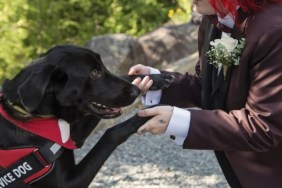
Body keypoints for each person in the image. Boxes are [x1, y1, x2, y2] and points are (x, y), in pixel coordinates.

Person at [128, 0, 282, 187]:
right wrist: (156, 81)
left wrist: (179, 121)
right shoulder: (214, 18)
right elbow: (207, 85)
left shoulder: (274, 30)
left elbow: (264, 126)